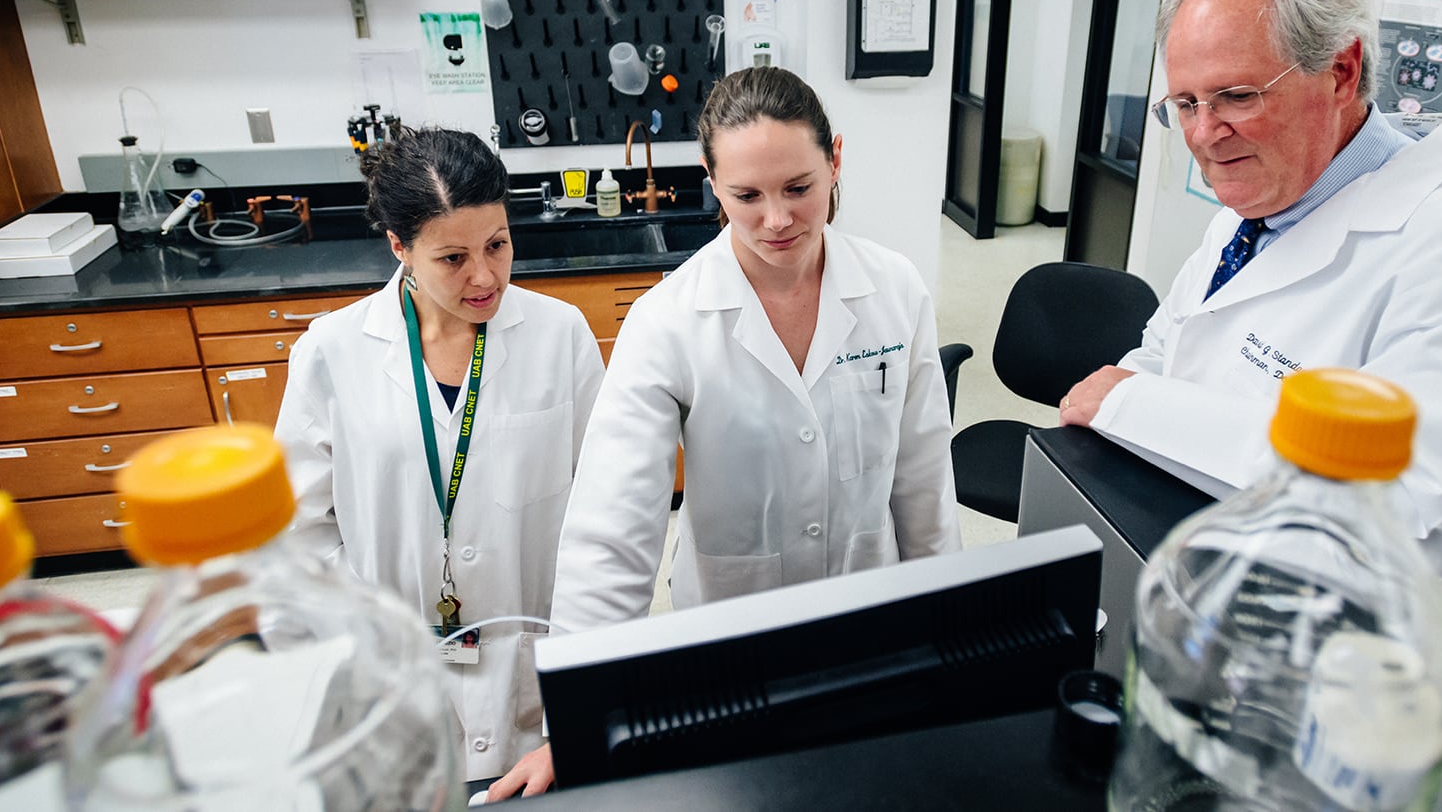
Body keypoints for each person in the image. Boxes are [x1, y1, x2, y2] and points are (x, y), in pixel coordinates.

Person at [493, 67, 962, 796]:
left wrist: (951, 640)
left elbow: (925, 484)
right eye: (747, 196)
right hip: (727, 646)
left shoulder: (895, 290)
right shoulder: (668, 321)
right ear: (713, 183)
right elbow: (612, 533)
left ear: (835, 159)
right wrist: (576, 723)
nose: (777, 219)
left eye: (799, 187)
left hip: (872, 626)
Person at [1058, 0, 1442, 628]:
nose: (1204, 135)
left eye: (1235, 96)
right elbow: (1167, 350)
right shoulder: (1258, 199)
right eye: (1185, 104)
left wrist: (1136, 408)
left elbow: (1423, 528)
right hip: (1184, 582)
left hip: (1332, 649)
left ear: (1342, 73)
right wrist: (1123, 408)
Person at [273, 127, 604, 788]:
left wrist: (579, 708)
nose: (485, 276)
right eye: (452, 258)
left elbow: (600, 526)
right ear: (399, 248)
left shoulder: (559, 336)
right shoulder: (332, 352)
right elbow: (297, 544)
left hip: (534, 687)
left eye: (498, 245)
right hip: (388, 686)